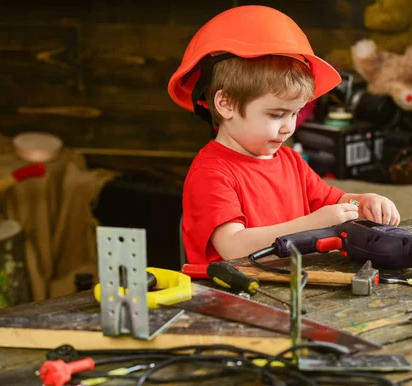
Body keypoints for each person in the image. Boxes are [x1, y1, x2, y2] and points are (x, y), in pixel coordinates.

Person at [168, 5, 400, 265]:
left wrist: (361, 203)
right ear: (226, 104)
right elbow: (233, 247)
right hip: (231, 298)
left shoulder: (290, 161)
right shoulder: (211, 173)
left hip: (290, 288)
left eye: (295, 114)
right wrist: (312, 224)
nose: (289, 127)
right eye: (276, 115)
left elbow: (331, 200)